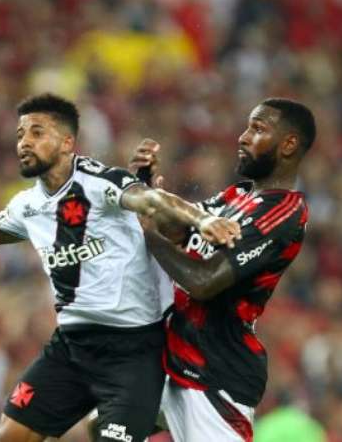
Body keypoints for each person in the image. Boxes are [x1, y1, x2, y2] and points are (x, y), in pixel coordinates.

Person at [0, 93, 240, 442]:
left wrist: (203, 219)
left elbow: (151, 199)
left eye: (37, 133)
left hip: (133, 351)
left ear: (67, 143)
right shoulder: (28, 205)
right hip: (72, 347)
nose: (24, 143)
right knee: (9, 437)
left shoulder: (100, 183)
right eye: (20, 135)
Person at [130, 97, 315, 441]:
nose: (243, 137)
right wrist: (147, 191)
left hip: (215, 376)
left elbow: (204, 281)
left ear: (288, 145)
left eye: (257, 129)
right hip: (174, 361)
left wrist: (148, 234)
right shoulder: (236, 196)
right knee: (102, 424)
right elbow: (179, 231)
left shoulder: (283, 213)